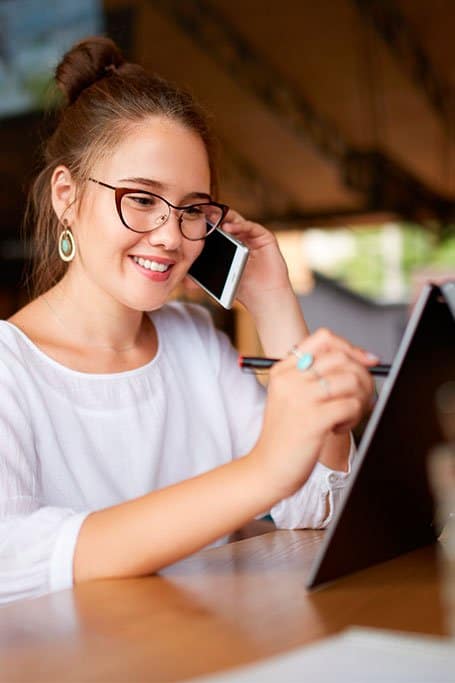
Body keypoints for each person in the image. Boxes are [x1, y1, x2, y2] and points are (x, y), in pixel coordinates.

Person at [0, 37, 376, 604]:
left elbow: (315, 506)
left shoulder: (195, 344)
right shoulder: (10, 371)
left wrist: (272, 299)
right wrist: (262, 471)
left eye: (194, 209)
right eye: (142, 199)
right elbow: (13, 560)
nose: (173, 236)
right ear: (66, 197)